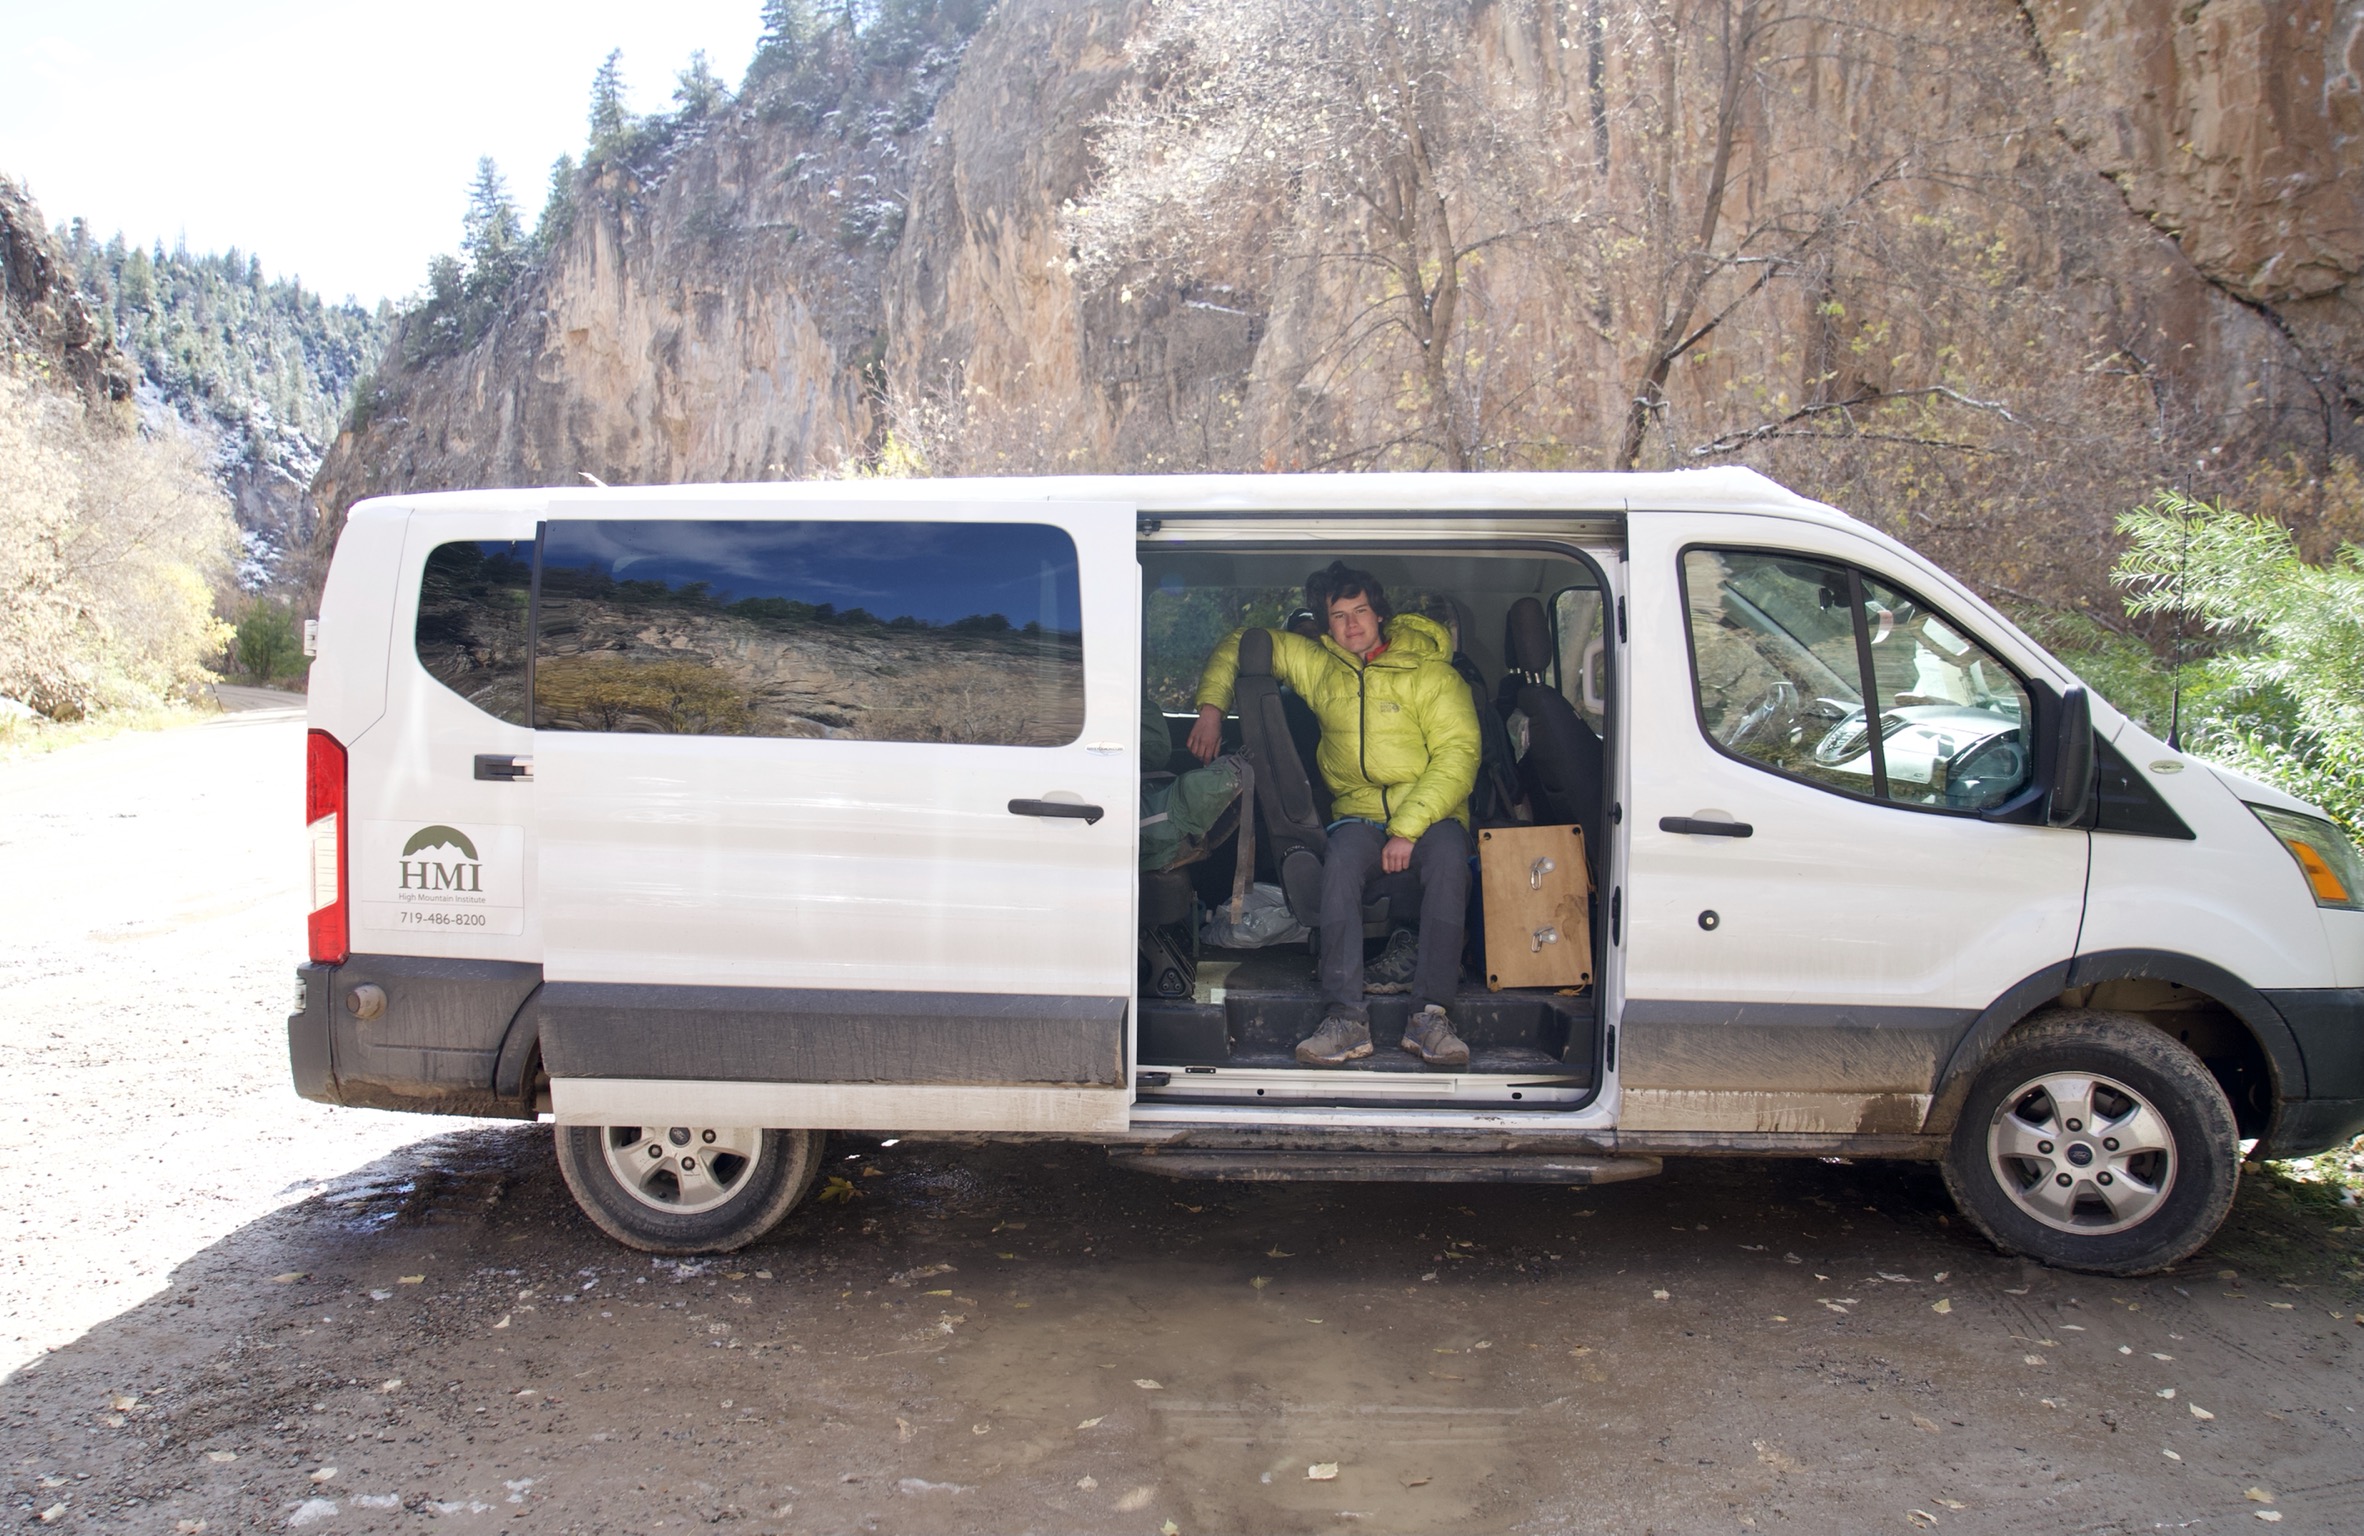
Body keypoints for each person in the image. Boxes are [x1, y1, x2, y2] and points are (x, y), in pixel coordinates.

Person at [1186, 562, 1479, 1068]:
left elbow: (1459, 753)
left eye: (1360, 611)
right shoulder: (1321, 666)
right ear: (1326, 625)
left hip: (1431, 816)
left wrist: (1408, 830)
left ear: (1379, 613)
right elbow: (1244, 640)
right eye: (1338, 616)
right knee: (1339, 865)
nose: (1351, 625)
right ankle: (1345, 1018)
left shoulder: (1430, 673)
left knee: (1452, 861)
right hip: (1360, 816)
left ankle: (1431, 1016)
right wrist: (1211, 708)